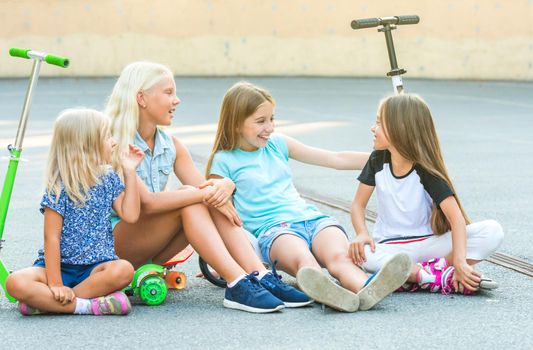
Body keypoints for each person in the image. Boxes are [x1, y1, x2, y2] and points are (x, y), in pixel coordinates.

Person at [105, 62, 310, 314]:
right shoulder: (114, 143)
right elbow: (146, 204)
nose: (177, 100)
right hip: (115, 247)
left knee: (205, 198)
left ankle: (259, 274)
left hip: (152, 248)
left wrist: (226, 183)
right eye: (168, 92)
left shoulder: (172, 145)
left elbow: (205, 189)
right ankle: (236, 282)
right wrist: (206, 191)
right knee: (191, 197)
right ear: (141, 98)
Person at [206, 81, 412, 312]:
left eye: (272, 119)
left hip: (312, 220)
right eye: (261, 121)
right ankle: (331, 294)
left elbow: (334, 158)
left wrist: (394, 157)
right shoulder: (223, 161)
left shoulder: (277, 144)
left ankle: (366, 288)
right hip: (275, 230)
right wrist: (220, 261)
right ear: (235, 124)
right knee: (305, 261)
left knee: (339, 258)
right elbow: (218, 214)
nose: (270, 127)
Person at [350, 93, 504, 295]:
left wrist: (459, 262)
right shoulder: (377, 161)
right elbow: (357, 205)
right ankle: (433, 277)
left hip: (429, 245)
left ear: (399, 129)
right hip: (391, 248)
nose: (373, 127)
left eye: (379, 122)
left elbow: (456, 218)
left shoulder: (424, 170)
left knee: (492, 231)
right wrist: (362, 233)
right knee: (360, 254)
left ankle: (418, 276)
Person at [6, 108, 143, 316]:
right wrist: (56, 283)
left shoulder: (108, 178)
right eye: (107, 136)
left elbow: (131, 215)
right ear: (87, 145)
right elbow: (51, 237)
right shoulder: (58, 187)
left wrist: (130, 172)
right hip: (58, 267)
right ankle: (86, 306)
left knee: (124, 269)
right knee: (15, 282)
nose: (114, 142)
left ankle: (48, 303)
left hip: (96, 268)